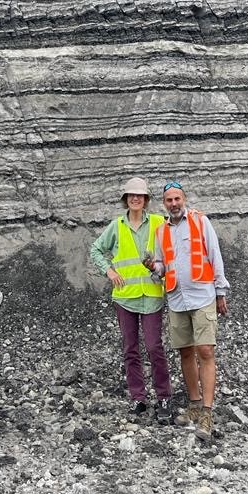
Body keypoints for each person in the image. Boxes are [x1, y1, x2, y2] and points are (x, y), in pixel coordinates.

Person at [151, 181, 229, 442]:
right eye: (169, 200)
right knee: (185, 351)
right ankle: (194, 405)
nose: (173, 203)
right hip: (176, 298)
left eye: (177, 199)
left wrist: (221, 292)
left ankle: (207, 412)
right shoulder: (161, 231)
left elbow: (214, 254)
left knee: (205, 350)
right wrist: (154, 267)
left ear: (184, 199)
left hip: (202, 295)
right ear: (164, 203)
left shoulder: (200, 221)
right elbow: (163, 265)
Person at [90, 177, 172, 423]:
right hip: (125, 297)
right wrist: (109, 271)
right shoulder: (116, 226)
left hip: (152, 295)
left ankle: (164, 397)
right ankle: (138, 398)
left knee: (155, 347)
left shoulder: (159, 222)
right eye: (131, 195)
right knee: (130, 349)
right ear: (126, 199)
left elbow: (178, 233)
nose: (135, 199)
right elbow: (96, 249)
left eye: (140, 195)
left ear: (146, 200)